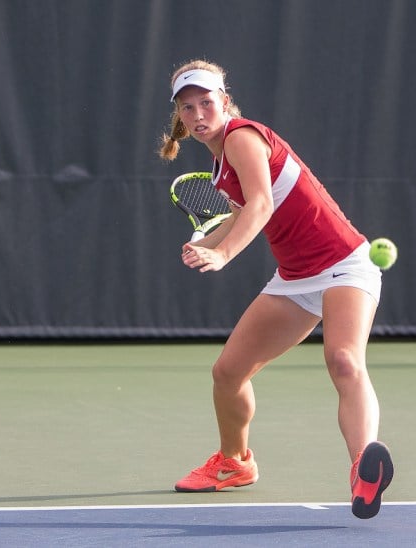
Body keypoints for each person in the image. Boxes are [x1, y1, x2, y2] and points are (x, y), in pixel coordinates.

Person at [158, 59, 393, 519]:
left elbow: (261, 204)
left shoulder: (244, 137)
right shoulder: (220, 166)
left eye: (207, 102)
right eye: (188, 108)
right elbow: (235, 218)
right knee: (227, 374)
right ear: (180, 118)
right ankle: (234, 462)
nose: (199, 113)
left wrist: (221, 256)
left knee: (344, 360)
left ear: (225, 102)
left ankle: (363, 469)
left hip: (346, 264)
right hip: (295, 278)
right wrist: (201, 245)